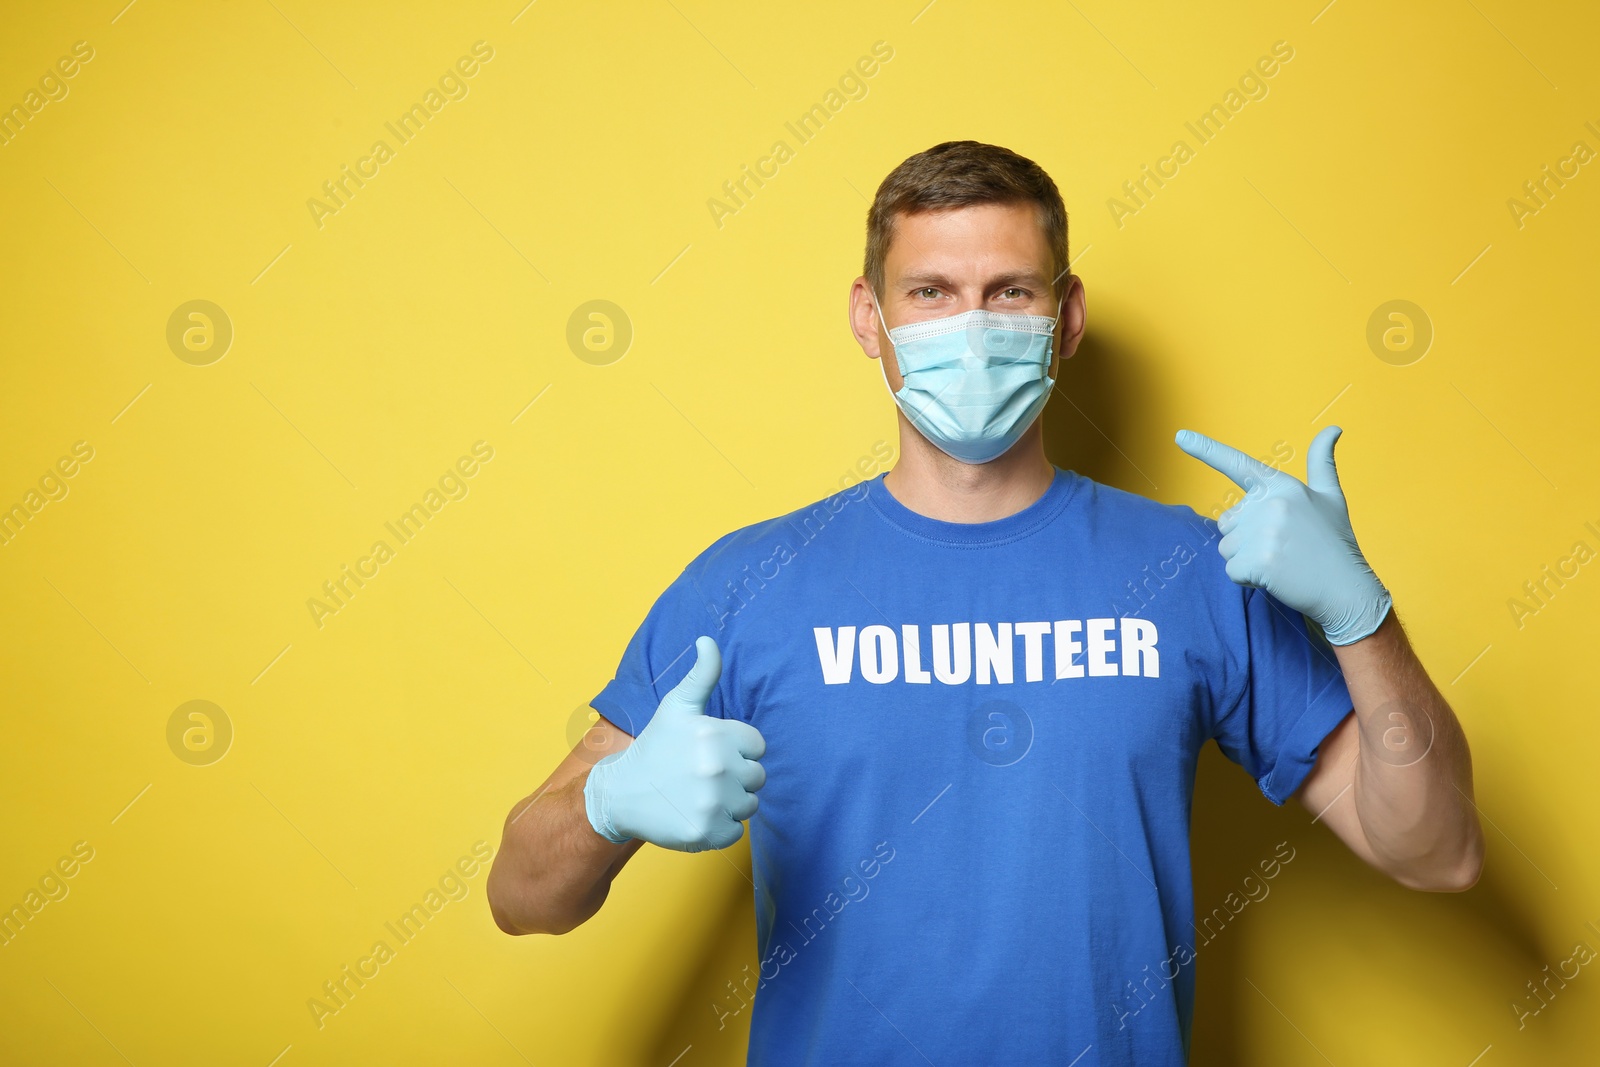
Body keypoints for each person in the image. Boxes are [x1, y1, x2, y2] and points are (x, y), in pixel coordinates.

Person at [485, 140, 1485, 1066]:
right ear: (867, 317)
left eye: (1008, 292)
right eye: (931, 292)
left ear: (1068, 317)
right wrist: (608, 802)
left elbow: (1434, 850)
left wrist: (1362, 614)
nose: (971, 328)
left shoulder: (1189, 568)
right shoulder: (748, 581)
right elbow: (522, 897)